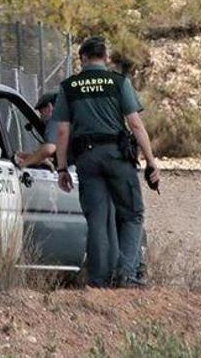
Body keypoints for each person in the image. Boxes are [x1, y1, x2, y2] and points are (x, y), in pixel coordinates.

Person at [54, 36, 160, 288]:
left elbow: (62, 132)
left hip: (87, 159)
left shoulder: (69, 87)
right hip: (116, 155)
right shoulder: (118, 82)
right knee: (132, 214)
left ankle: (99, 281)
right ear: (105, 57)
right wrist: (151, 161)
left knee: (97, 219)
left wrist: (61, 168)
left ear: (83, 58)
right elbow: (135, 124)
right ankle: (126, 274)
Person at [14, 92, 59, 169]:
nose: (41, 118)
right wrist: (29, 157)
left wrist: (23, 164)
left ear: (49, 107)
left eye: (41, 113)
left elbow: (48, 149)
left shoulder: (55, 121)